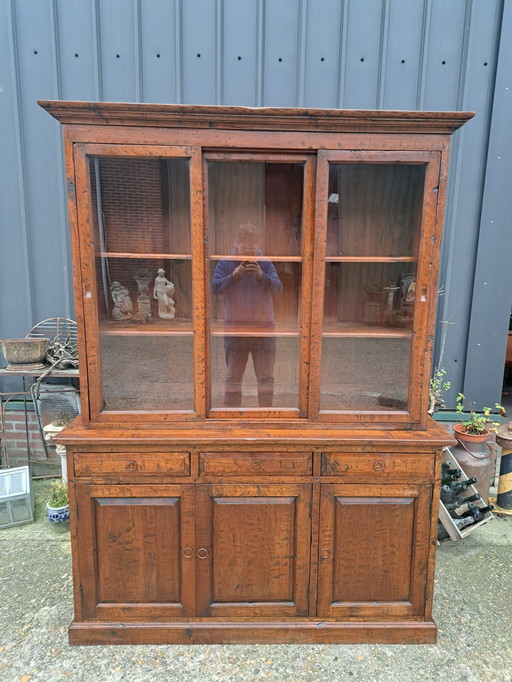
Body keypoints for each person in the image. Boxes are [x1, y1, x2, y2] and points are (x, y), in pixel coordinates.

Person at [211, 224, 283, 407]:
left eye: (252, 246)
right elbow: (214, 288)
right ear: (237, 243)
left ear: (257, 244)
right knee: (233, 378)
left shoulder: (265, 262)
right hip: (236, 331)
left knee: (265, 378)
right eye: (245, 246)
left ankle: (265, 417)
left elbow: (279, 289)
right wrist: (233, 277)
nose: (249, 251)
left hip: (264, 332)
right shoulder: (225, 263)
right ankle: (231, 418)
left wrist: (261, 276)